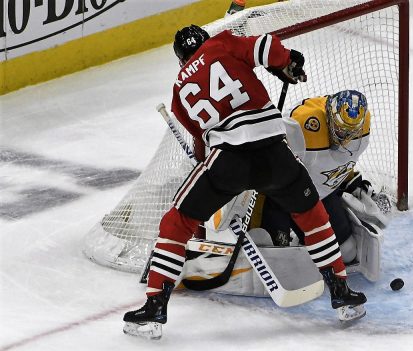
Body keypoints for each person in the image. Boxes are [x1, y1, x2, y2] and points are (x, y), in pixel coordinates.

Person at [123, 24, 366, 339]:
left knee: (176, 222)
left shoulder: (179, 92)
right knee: (311, 214)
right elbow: (267, 46)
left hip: (228, 161)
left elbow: (201, 145)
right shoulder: (221, 44)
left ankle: (154, 307)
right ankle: (342, 293)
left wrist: (207, 172)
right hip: (274, 154)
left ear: (181, 59)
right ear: (205, 41)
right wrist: (287, 63)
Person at [250, 90, 390, 281]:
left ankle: (306, 240)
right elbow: (267, 159)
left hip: (317, 197)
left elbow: (339, 161)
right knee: (273, 258)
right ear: (330, 117)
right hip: (281, 198)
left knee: (347, 252)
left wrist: (352, 182)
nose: (346, 139)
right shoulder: (303, 123)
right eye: (341, 131)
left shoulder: (362, 126)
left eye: (351, 133)